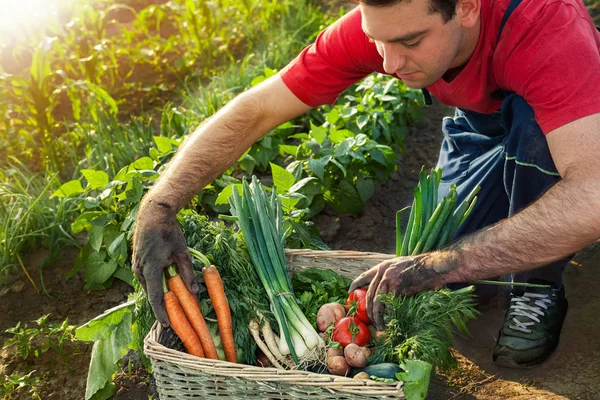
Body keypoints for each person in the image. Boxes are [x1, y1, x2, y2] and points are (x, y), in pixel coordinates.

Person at [132, 0, 600, 368]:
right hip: (479, 121)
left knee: (528, 153)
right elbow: (259, 107)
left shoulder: (547, 27)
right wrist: (159, 206)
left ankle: (537, 290)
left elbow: (593, 197)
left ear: (466, 7)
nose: (390, 63)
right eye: (379, 41)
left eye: (410, 41)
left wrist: (438, 266)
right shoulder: (383, 27)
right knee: (453, 257)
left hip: (562, 119)